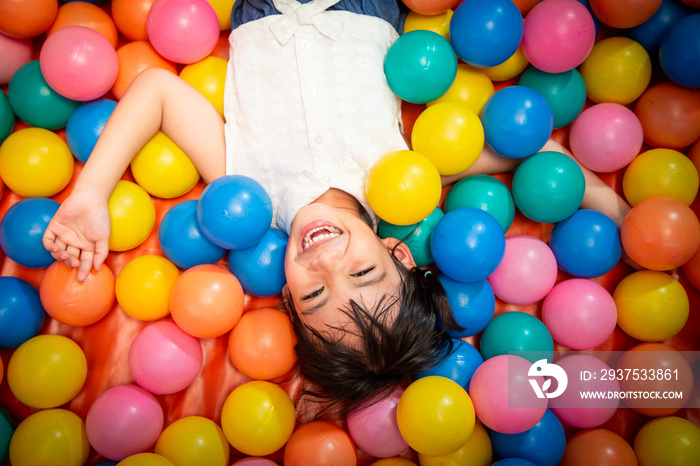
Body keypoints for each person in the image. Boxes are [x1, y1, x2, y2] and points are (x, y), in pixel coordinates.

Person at [43, 0, 631, 418]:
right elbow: (525, 160)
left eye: (316, 294)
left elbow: (158, 94)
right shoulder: (401, 180)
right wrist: (609, 202)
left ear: (288, 300)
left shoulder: (246, 195)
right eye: (363, 272)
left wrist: (91, 194)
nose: (325, 262)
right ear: (397, 251)